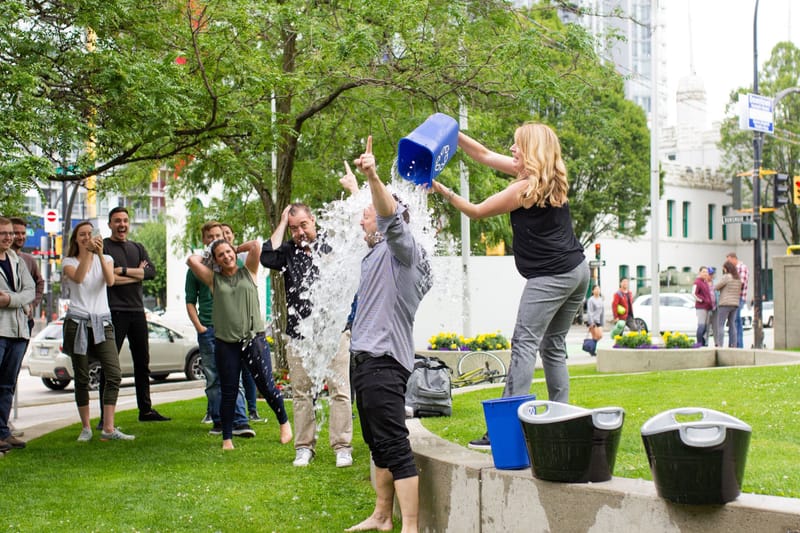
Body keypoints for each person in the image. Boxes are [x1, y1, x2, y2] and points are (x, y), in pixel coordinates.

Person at [431, 122, 589, 451]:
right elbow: (485, 155)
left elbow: (475, 211)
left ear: (531, 150)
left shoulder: (524, 189)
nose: (512, 149)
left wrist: (442, 190)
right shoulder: (550, 176)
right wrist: (452, 133)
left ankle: (507, 428)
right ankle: (562, 418)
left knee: (524, 345)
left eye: (517, 145)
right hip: (577, 271)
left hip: (551, 276)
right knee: (553, 348)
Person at [346, 136, 432, 533]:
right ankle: (382, 515)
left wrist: (374, 176)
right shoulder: (381, 253)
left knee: (394, 445)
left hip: (384, 362)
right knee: (377, 444)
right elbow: (378, 212)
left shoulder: (403, 249)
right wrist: (357, 187)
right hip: (366, 360)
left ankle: (410, 526)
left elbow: (388, 215)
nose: (362, 219)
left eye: (366, 214)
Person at [260, 201, 354, 468]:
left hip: (333, 330)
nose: (300, 232)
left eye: (303, 225)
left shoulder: (332, 243)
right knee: (301, 392)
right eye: (294, 228)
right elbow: (267, 257)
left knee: (340, 390)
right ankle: (304, 447)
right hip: (300, 333)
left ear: (313, 220)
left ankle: (342, 446)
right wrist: (281, 223)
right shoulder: (288, 250)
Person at [187, 238, 292, 450]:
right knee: (229, 390)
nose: (226, 257)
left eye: (228, 252)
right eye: (221, 255)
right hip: (227, 343)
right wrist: (210, 255)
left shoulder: (249, 271)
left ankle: (284, 423)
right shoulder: (213, 279)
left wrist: (235, 248)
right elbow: (191, 260)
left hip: (254, 339)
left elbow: (255, 245)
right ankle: (227, 439)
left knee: (267, 385)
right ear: (215, 260)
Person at [62, 221, 134, 441]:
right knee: (82, 377)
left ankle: (109, 428)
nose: (86, 237)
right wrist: (87, 253)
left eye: (90, 234)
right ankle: (86, 427)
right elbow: (80, 277)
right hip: (78, 322)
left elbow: (110, 281)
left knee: (114, 374)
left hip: (102, 322)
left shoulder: (108, 259)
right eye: (82, 235)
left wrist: (100, 255)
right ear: (75, 239)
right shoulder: (68, 261)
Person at [100, 206, 169, 425]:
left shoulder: (137, 247)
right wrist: (135, 274)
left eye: (125, 221)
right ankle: (105, 417)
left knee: (143, 363)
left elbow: (150, 272)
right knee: (110, 366)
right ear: (110, 224)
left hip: (137, 312)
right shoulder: (104, 247)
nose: (122, 225)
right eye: (117, 221)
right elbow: (106, 278)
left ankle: (145, 410)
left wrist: (121, 271)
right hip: (114, 312)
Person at [185, 221, 253, 438]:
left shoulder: (232, 265)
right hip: (209, 328)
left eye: (219, 235)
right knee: (214, 377)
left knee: (235, 376)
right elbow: (190, 301)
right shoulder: (198, 271)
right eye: (210, 236)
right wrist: (200, 327)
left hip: (232, 328)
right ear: (204, 241)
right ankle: (219, 420)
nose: (214, 239)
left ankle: (240, 421)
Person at [0, 216, 35, 452]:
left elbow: (30, 290)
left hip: (19, 330)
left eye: (10, 233)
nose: (9, 237)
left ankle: (3, 432)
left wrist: (12, 299)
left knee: (7, 385)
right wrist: (20, 301)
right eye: (3, 233)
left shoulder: (16, 260)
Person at [220, 223, 260, 421]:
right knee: (230, 379)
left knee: (252, 375)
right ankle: (236, 419)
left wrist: (232, 250)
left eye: (228, 233)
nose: (225, 236)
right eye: (221, 234)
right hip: (227, 331)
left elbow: (255, 245)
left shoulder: (244, 262)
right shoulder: (216, 270)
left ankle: (252, 410)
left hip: (249, 328)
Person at [10, 217, 44, 335]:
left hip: (25, 320)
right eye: (16, 233)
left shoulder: (29, 260)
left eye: (23, 233)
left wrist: (33, 303)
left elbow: (39, 282)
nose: (20, 237)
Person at [715, 260, 742, 348]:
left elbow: (717, 286)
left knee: (720, 324)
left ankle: (720, 345)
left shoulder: (727, 277)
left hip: (725, 303)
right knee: (732, 324)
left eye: (724, 269)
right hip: (735, 304)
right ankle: (733, 345)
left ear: (726, 268)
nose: (723, 270)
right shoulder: (737, 278)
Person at [725, 252, 748, 348]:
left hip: (738, 298)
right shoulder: (734, 269)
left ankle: (738, 345)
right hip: (733, 298)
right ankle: (734, 344)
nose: (728, 263)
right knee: (733, 321)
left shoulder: (741, 267)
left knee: (735, 321)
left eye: (729, 260)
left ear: (734, 258)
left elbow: (741, 283)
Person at [692, 266, 713, 346]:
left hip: (707, 307)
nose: (705, 273)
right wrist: (702, 300)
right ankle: (699, 343)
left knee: (705, 327)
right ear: (699, 272)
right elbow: (693, 293)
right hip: (701, 308)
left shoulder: (705, 282)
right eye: (703, 271)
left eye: (706, 272)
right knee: (701, 326)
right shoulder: (697, 282)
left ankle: (703, 343)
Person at [586, 285, 604, 356]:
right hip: (593, 321)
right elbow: (589, 312)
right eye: (596, 289)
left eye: (598, 289)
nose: (597, 290)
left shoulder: (600, 299)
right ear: (593, 291)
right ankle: (592, 351)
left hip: (599, 321)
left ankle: (591, 349)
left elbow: (602, 311)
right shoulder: (591, 300)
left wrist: (602, 322)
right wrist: (591, 322)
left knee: (599, 336)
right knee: (596, 336)